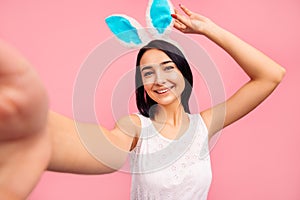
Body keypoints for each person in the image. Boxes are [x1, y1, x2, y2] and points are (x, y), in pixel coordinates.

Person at [0, 4, 285, 200]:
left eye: (167, 67)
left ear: (184, 73)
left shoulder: (204, 126)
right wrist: (39, 133)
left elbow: (271, 75)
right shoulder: (136, 127)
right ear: (143, 86)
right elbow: (106, 148)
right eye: (148, 73)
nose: (158, 79)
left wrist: (208, 29)